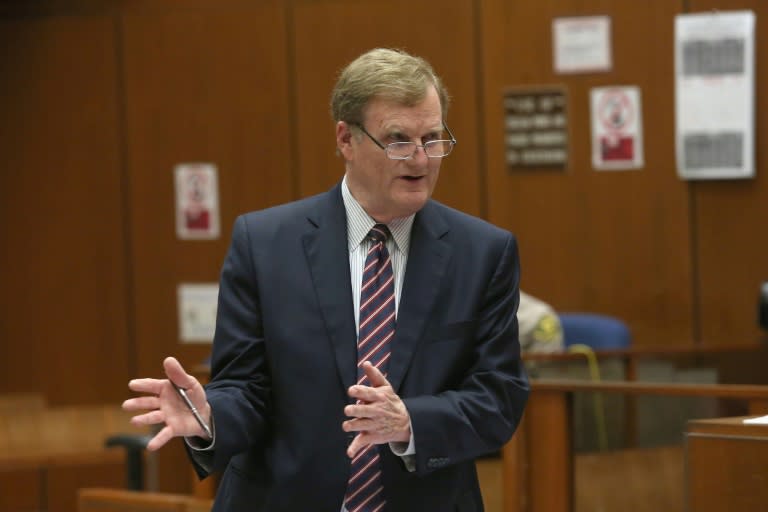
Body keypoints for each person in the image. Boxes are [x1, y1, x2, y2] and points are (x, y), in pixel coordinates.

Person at [123, 47, 529, 512]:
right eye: (398, 139)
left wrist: (409, 422)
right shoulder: (266, 243)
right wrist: (209, 416)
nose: (421, 159)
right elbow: (245, 388)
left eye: (433, 138)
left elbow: (498, 397)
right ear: (346, 139)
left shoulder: (482, 253)